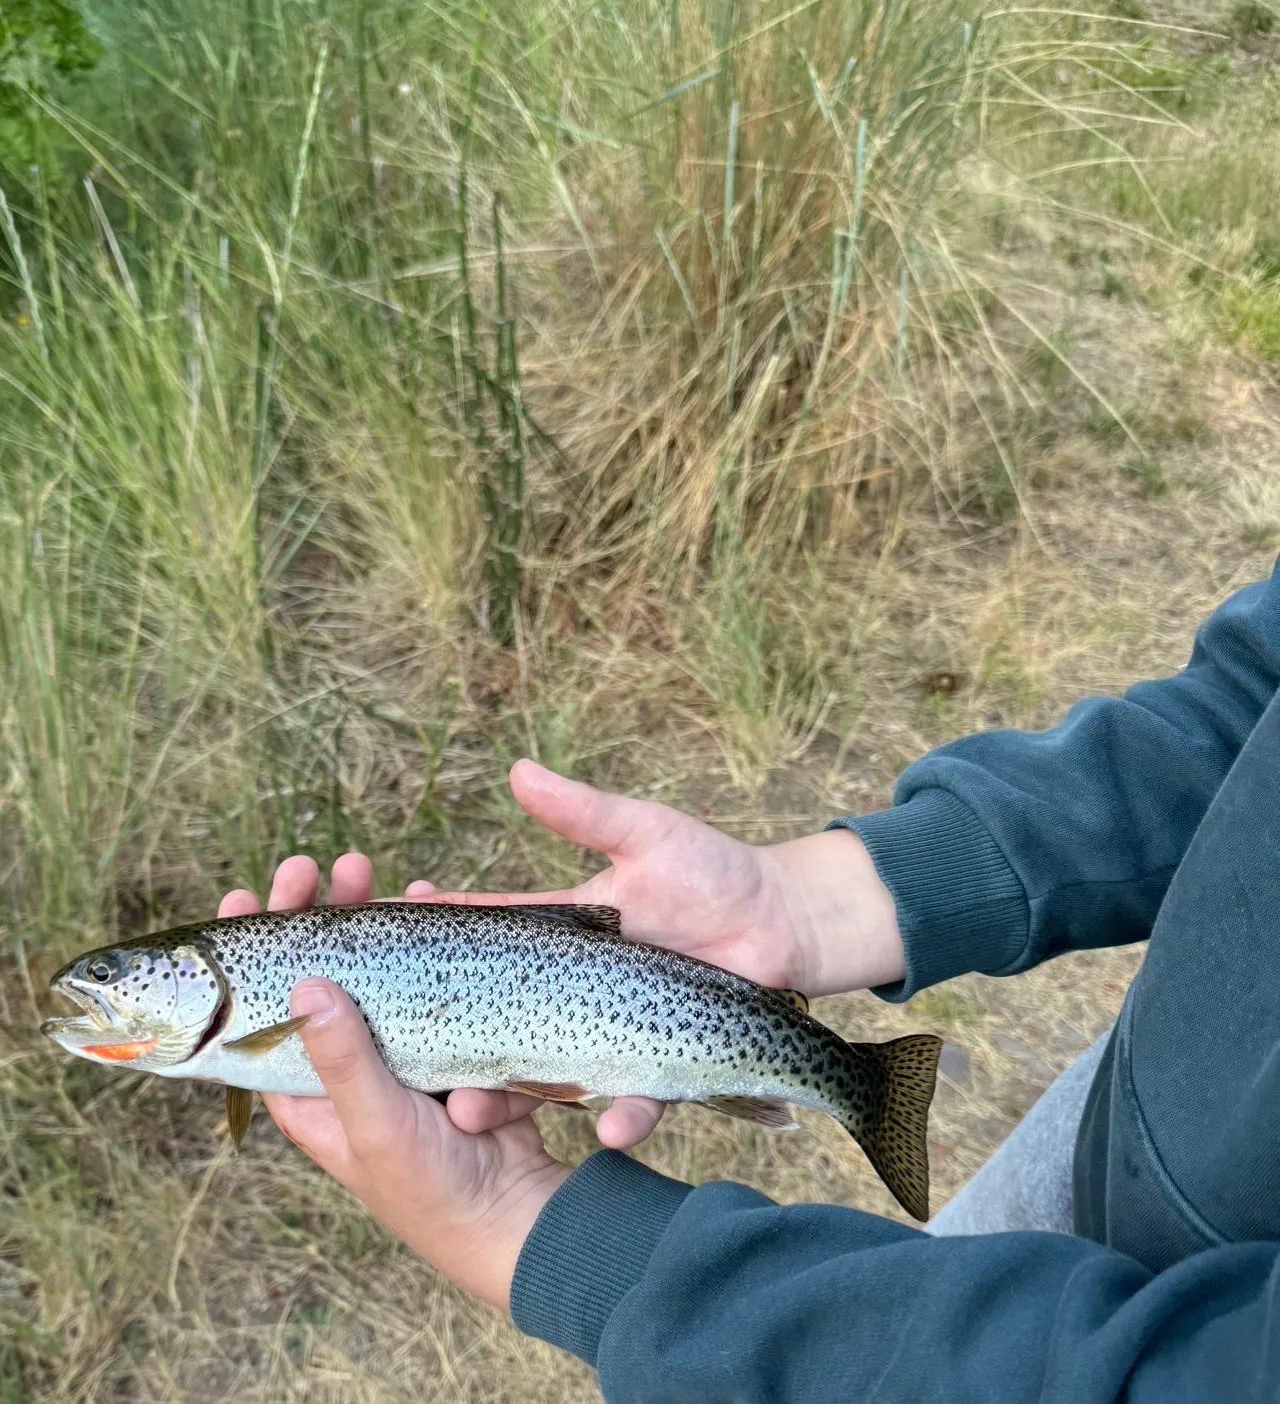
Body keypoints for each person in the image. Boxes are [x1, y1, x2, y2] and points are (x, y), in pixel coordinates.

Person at [216, 558, 1280, 1401]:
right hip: (1138, 1106)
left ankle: (861, 1086)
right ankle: (866, 1085)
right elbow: (1248, 709)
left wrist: (532, 1230)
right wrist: (816, 900)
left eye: (127, 978)